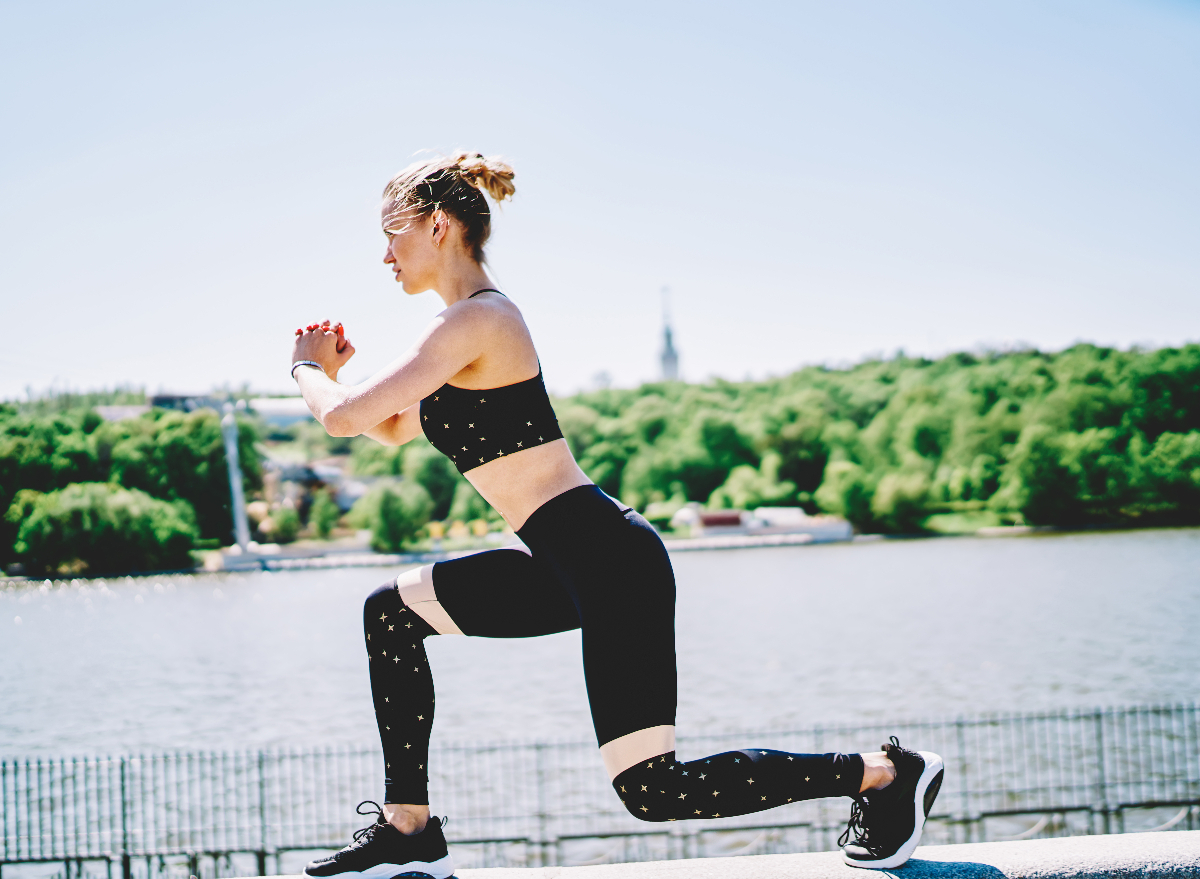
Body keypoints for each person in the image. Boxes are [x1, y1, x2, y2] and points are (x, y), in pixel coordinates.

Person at [289, 151, 944, 875]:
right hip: (561, 565)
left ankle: (885, 772)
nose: (385, 254)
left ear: (438, 225)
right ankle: (408, 830)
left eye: (392, 234)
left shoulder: (480, 321)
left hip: (610, 562)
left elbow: (344, 419)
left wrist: (307, 368)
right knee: (390, 609)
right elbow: (382, 423)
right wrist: (339, 381)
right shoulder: (456, 340)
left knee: (653, 790)